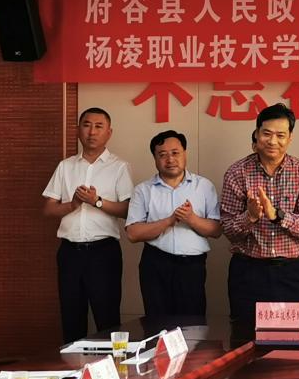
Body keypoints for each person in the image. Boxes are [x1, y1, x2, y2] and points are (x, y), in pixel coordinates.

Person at [220, 104, 299, 323]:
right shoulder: (237, 173)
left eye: (280, 135)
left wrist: (277, 215)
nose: (273, 141)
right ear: (256, 134)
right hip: (248, 272)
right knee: (245, 335)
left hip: (292, 272)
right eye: (266, 133)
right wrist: (250, 217)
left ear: (290, 138)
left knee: (295, 338)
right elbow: (228, 229)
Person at [42, 108, 133, 343]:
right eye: (87, 125)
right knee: (71, 318)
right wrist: (73, 204)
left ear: (109, 132)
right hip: (70, 252)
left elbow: (128, 210)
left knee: (108, 318)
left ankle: (113, 365)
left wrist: (97, 201)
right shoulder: (66, 166)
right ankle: (74, 366)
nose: (92, 132)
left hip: (104, 253)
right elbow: (49, 209)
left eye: (99, 126)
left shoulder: (119, 167)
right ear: (78, 130)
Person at [125, 130, 222, 318]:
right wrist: (169, 221)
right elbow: (133, 233)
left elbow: (217, 230)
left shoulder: (203, 186)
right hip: (155, 263)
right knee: (157, 323)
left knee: (193, 323)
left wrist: (191, 219)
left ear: (185, 153)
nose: (170, 159)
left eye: (175, 153)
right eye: (162, 154)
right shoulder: (143, 190)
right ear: (155, 159)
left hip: (192, 266)